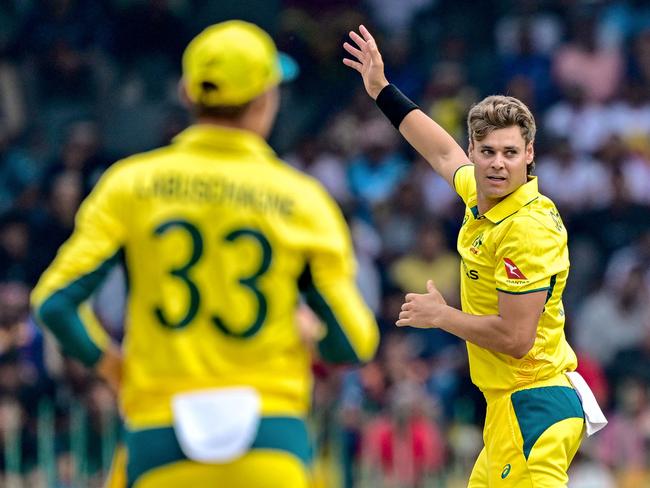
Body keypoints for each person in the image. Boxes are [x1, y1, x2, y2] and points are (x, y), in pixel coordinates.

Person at [31, 20, 379, 488]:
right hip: (270, 439)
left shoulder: (131, 184)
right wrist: (313, 334)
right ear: (265, 100)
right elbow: (354, 340)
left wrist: (115, 369)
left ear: (186, 94)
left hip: (160, 434)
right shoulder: (302, 200)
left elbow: (55, 302)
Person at [343, 25, 606, 486]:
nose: (497, 163)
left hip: (535, 409)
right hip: (506, 411)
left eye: (509, 152)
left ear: (529, 154)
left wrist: (442, 316)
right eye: (487, 152)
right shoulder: (482, 195)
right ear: (475, 151)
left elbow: (516, 337)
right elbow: (440, 151)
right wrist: (382, 90)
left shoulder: (525, 228)